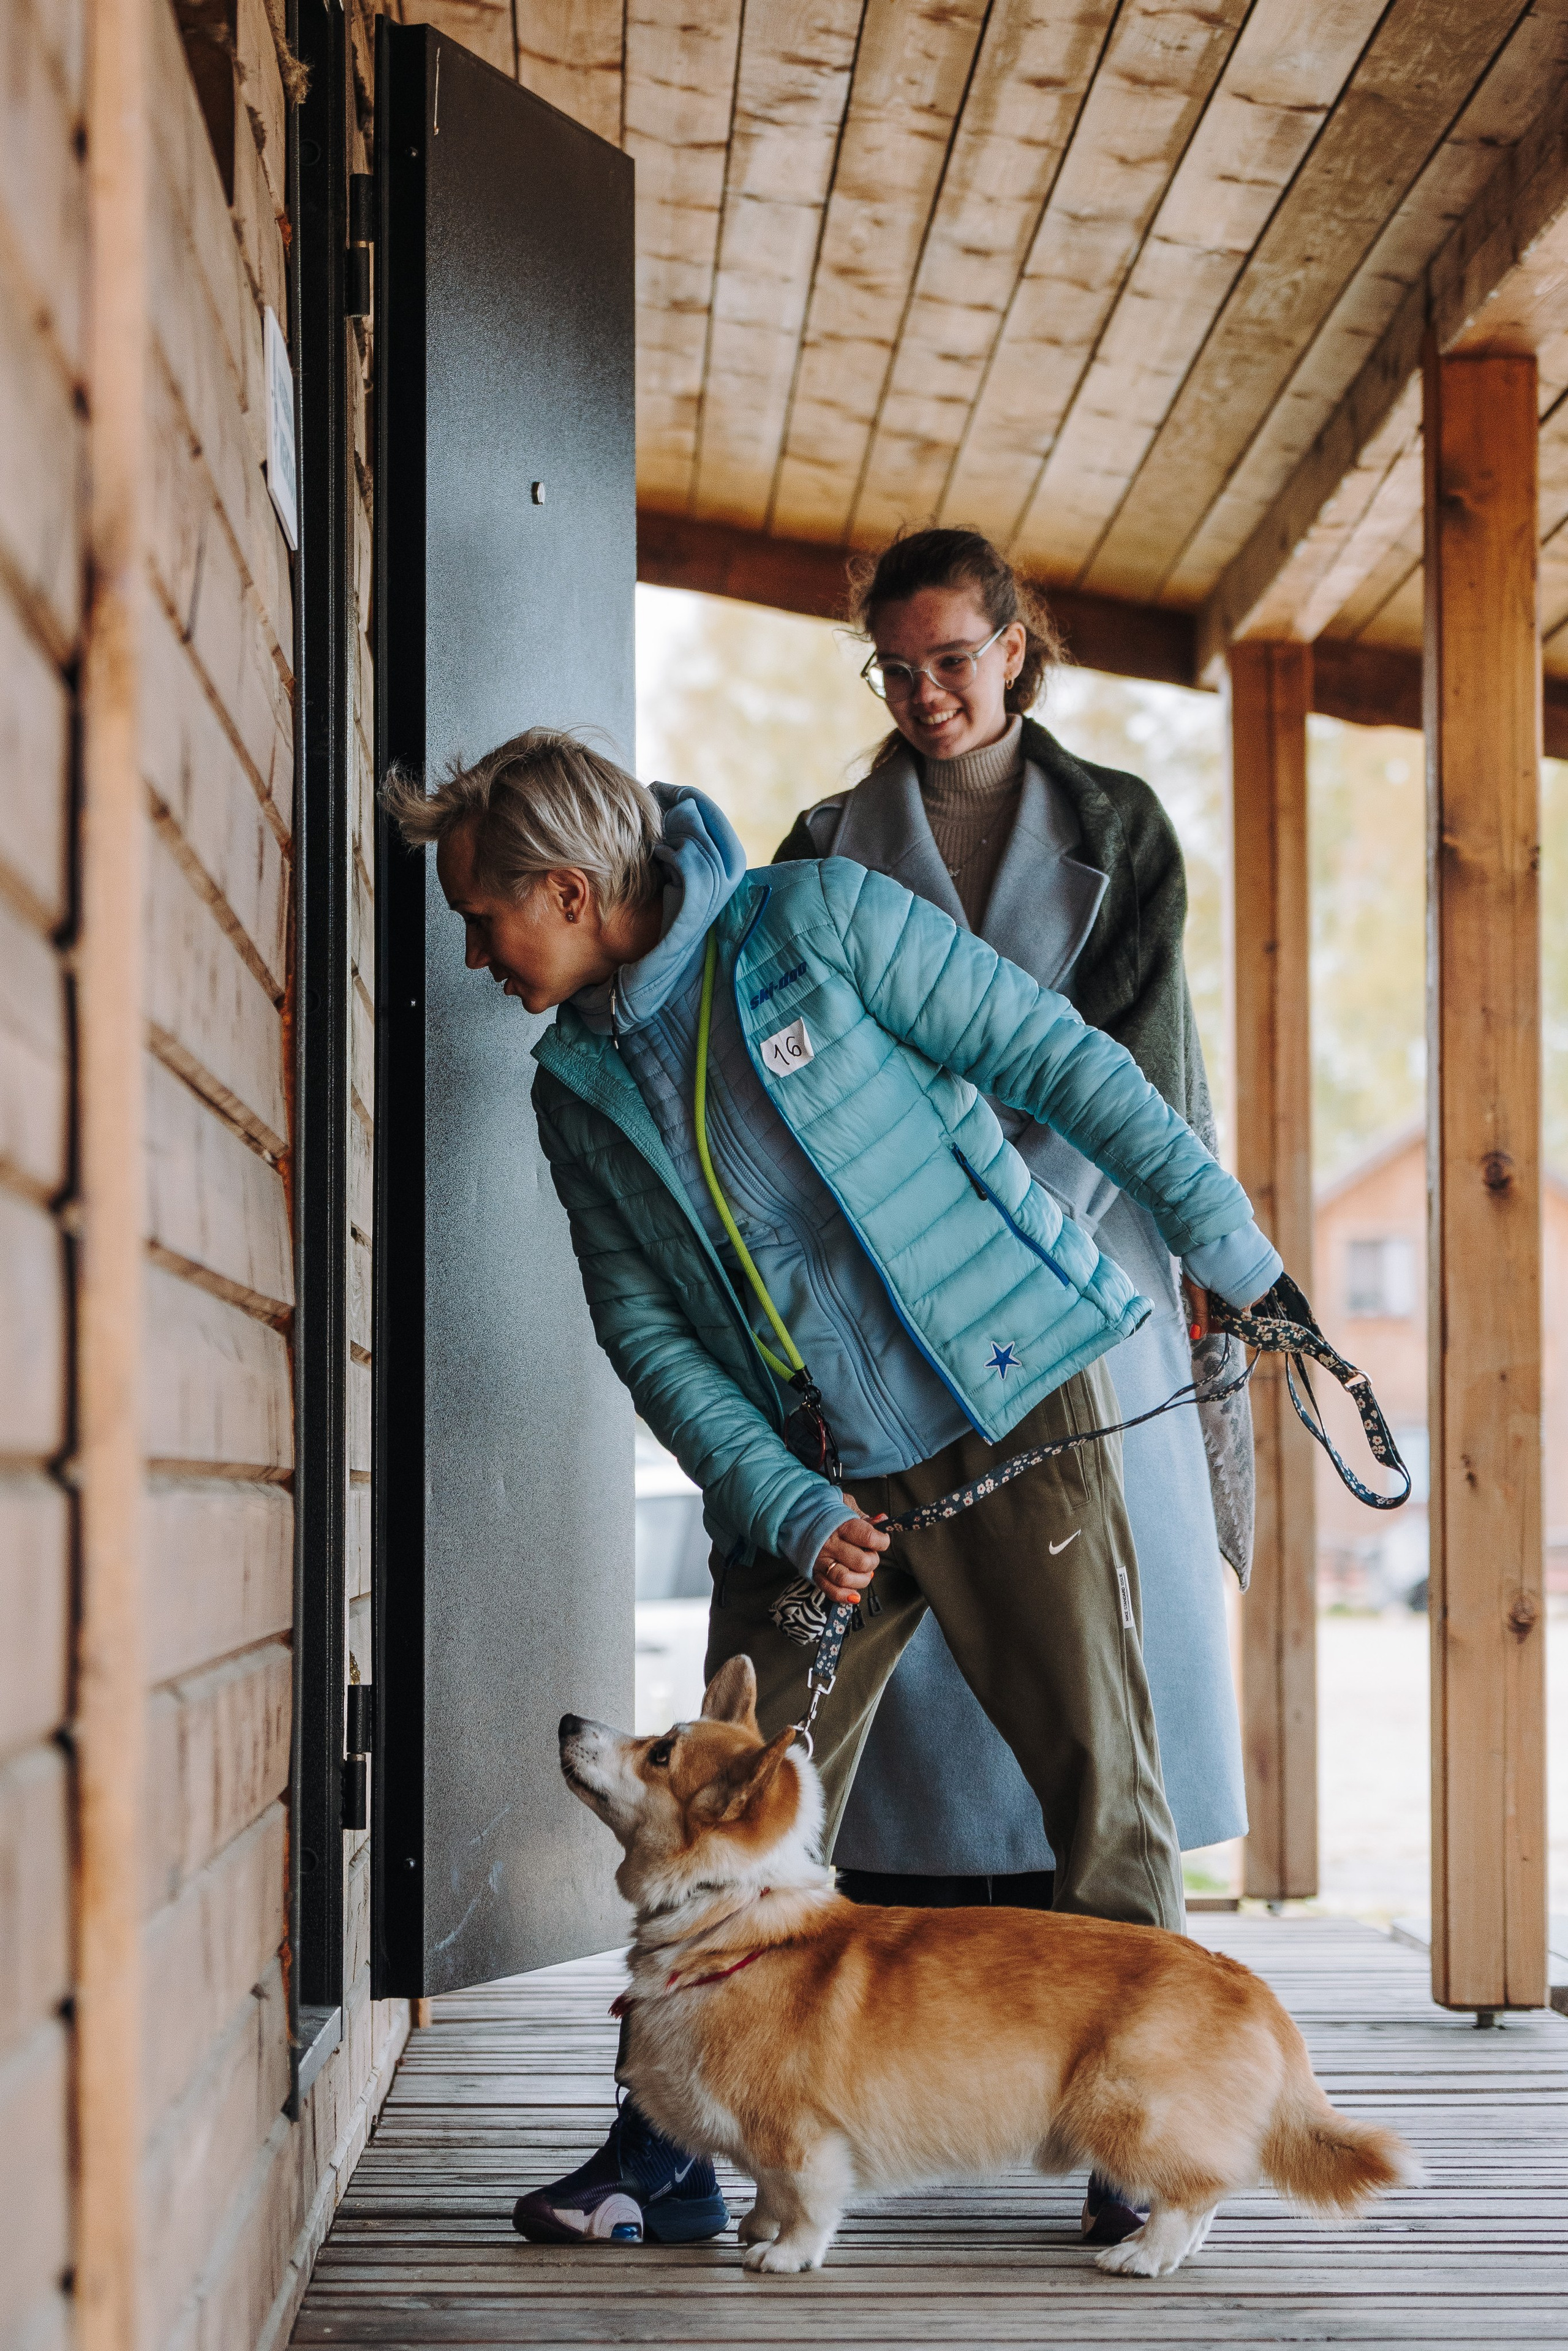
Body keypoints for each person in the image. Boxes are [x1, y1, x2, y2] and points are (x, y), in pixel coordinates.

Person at [385, 727, 1281, 2251]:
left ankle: (1144, 2126)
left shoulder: (815, 922)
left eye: (483, 916)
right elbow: (644, 1327)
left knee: (1095, 1771)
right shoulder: (573, 1087)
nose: (474, 951)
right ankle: (665, 2145)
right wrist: (785, 1498)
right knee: (720, 1790)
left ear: (569, 884)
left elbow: (1064, 1063)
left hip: (1003, 1399)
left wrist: (1238, 1258)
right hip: (807, 1486)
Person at [772, 527, 1253, 1928]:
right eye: (896, 668)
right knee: (925, 1683)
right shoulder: (816, 848)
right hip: (887, 1295)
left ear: (1014, 651)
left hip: (1085, 1270)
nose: (925, 693)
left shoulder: (1118, 828)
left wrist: (978, 1246)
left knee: (1092, 1645)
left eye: (951, 660)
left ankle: (1119, 2007)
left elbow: (1131, 1075)